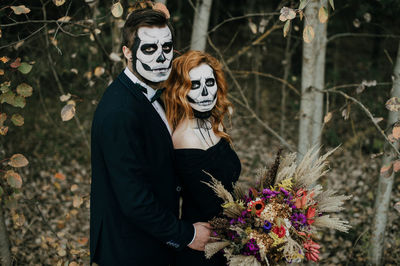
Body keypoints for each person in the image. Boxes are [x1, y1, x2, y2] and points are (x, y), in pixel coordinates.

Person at [90, 4, 211, 265]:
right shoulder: (118, 112)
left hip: (154, 241)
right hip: (128, 249)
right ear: (127, 53)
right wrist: (187, 234)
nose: (161, 57)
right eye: (149, 48)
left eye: (166, 48)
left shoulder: (158, 92)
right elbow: (133, 199)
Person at [163, 50, 242, 266]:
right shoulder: (184, 139)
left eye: (210, 82)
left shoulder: (214, 123)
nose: (206, 92)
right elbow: (213, 204)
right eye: (195, 85)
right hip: (203, 250)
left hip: (230, 240)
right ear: (180, 90)